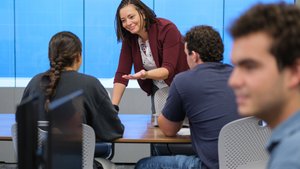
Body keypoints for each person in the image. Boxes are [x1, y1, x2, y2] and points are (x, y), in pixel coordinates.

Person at [135, 25, 240, 169]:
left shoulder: (184, 80)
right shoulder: (240, 76)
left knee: (144, 165)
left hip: (211, 165)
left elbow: (169, 130)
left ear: (195, 56)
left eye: (186, 55)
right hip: (251, 161)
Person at [20, 31, 124, 169]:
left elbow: (23, 127)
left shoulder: (34, 83)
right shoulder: (90, 84)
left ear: (50, 57)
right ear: (78, 57)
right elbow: (114, 131)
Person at [228, 3, 300, 169]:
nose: (233, 81)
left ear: (294, 73)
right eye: (236, 66)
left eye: (250, 66)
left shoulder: (291, 157)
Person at [112, 0, 189, 112]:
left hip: (182, 87)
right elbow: (121, 73)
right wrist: (113, 107)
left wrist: (145, 74)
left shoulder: (167, 29)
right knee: (159, 127)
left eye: (131, 17)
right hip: (158, 88)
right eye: (123, 20)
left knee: (185, 126)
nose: (128, 23)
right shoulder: (130, 39)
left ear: (142, 13)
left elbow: (168, 70)